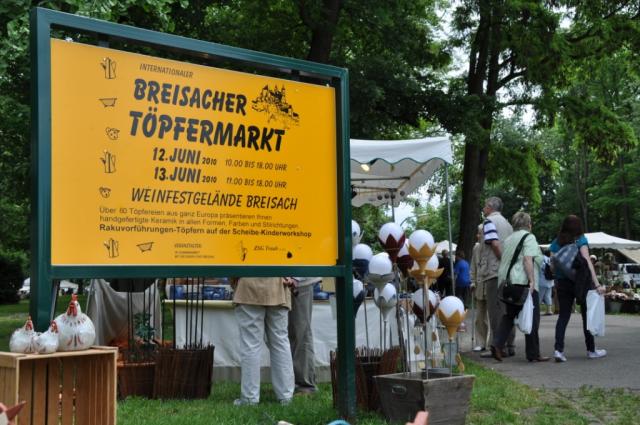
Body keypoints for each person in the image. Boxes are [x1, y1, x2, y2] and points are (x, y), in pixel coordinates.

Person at [490, 212, 549, 362]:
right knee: (533, 317)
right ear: (529, 224)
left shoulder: (508, 239)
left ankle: (497, 344)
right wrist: (532, 281)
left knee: (509, 316)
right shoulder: (529, 237)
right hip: (523, 283)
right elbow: (527, 259)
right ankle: (533, 353)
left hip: (508, 283)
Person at [550, 215, 607, 362]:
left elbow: (552, 266)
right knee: (586, 316)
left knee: (563, 316)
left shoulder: (556, 242)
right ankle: (591, 350)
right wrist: (597, 284)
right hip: (581, 282)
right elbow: (587, 262)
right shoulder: (580, 240)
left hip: (563, 283)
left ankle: (558, 350)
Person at [232, 277, 295, 405]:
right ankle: (286, 396)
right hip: (277, 286)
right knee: (280, 342)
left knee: (251, 345)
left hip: (248, 286)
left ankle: (250, 398)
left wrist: (234, 281)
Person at [478, 196, 516, 358]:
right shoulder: (508, 224)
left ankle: (498, 346)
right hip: (508, 274)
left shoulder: (489, 222)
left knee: (495, 311)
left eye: (484, 206)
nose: (483, 209)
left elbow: (494, 243)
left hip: (494, 272)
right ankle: (510, 345)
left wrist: (503, 260)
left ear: (489, 207)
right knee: (507, 310)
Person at [288, 277, 321, 395]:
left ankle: (305, 384)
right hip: (284, 281)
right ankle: (290, 383)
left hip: (299, 282)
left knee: (301, 333)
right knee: (287, 335)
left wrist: (296, 278)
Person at [471, 225, 489, 352]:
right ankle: (481, 343)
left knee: (492, 317)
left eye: (480, 233)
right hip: (479, 286)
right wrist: (472, 282)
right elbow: (473, 267)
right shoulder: (476, 248)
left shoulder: (493, 246)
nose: (478, 235)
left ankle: (492, 343)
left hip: (490, 285)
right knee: (479, 317)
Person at [539, 250, 554, 315]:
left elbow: (540, 268)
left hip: (542, 281)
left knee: (539, 296)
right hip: (550, 281)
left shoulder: (541, 258)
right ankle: (549, 310)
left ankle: (537, 310)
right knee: (548, 296)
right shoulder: (550, 259)